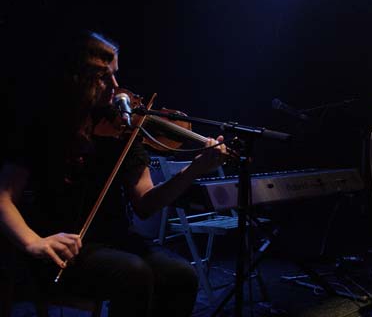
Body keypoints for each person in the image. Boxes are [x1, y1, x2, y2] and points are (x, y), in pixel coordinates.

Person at [0, 30, 228, 316]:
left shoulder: (122, 129)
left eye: (115, 75)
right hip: (57, 246)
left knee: (181, 275)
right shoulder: (42, 127)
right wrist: (33, 241)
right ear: (76, 79)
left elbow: (145, 203)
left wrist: (194, 169)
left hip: (114, 239)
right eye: (103, 77)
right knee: (133, 274)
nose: (116, 86)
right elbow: (4, 197)